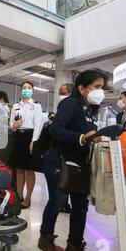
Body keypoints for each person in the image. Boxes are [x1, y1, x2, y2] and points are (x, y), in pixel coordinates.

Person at [38, 70, 107, 251]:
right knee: (58, 200)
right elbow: (56, 129)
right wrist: (82, 137)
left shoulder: (91, 109)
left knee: (81, 205)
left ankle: (74, 247)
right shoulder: (71, 103)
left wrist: (95, 139)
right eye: (97, 87)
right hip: (58, 159)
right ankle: (45, 237)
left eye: (102, 87)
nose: (100, 91)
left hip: (79, 162)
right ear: (82, 88)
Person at [9, 81, 43, 209]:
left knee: (29, 169)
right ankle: (19, 196)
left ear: (32, 90)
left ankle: (28, 198)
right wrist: (14, 126)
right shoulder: (16, 105)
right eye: (24, 88)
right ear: (20, 90)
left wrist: (34, 141)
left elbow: (38, 124)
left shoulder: (36, 105)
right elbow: (11, 124)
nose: (26, 90)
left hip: (30, 137)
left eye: (29, 88)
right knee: (18, 169)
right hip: (18, 136)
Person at [57, 83, 73, 214]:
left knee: (68, 176)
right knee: (64, 176)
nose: (61, 95)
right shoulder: (62, 105)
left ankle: (64, 203)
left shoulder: (70, 106)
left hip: (70, 146)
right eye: (60, 93)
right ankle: (63, 203)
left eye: (63, 92)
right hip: (63, 147)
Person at [0, 91, 12, 165]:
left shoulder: (0, 109)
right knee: (6, 161)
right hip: (11, 138)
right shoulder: (12, 108)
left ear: (1, 99)